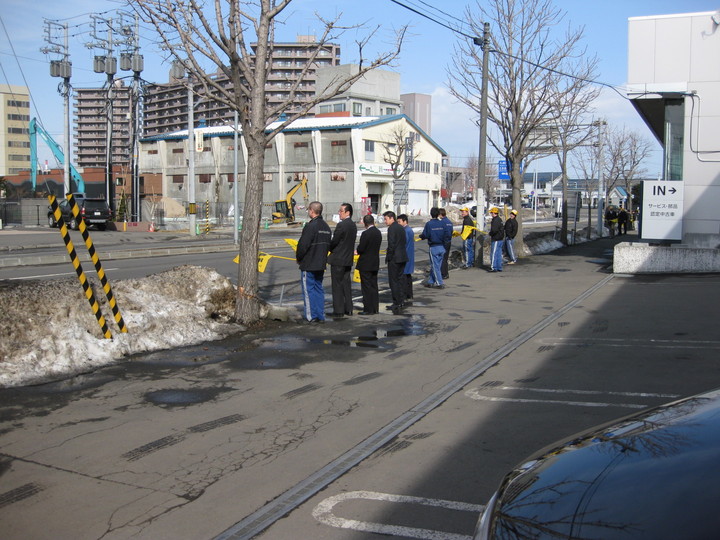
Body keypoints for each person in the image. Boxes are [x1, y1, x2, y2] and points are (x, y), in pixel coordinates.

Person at [296, 201, 332, 323]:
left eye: (308, 210)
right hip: (321, 263)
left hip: (309, 263)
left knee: (308, 290)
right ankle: (320, 315)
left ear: (312, 211)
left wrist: (299, 258)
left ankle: (311, 316)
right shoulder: (326, 227)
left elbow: (303, 245)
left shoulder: (311, 226)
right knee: (318, 289)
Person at [327, 203, 357, 318]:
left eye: (341, 211)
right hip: (347, 259)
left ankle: (338, 310)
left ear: (347, 212)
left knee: (337, 285)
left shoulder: (342, 225)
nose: (339, 213)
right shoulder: (353, 225)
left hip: (338, 259)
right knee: (346, 284)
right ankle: (348, 308)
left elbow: (335, 241)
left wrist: (329, 247)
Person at [355, 214, 382, 315]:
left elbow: (361, 248)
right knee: (374, 286)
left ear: (365, 223)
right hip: (374, 262)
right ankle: (375, 307)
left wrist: (357, 250)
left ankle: (368, 309)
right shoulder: (378, 232)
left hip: (366, 263)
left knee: (366, 287)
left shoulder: (366, 234)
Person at [383, 211, 408, 313]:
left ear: (391, 218)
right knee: (400, 279)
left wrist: (388, 256)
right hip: (402, 257)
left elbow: (391, 244)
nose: (385, 221)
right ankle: (401, 300)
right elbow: (404, 241)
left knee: (393, 281)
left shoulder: (392, 229)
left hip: (395, 258)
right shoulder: (401, 228)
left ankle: (396, 302)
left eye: (386, 219)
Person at [419, 207, 446, 288]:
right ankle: (431, 281)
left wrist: (421, 236)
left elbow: (425, 235)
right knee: (437, 266)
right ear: (438, 214)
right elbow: (447, 234)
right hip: (442, 246)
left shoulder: (429, 224)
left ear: (431, 214)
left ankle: (439, 283)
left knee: (435, 266)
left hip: (434, 247)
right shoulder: (442, 223)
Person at [397, 214, 415, 304]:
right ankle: (409, 294)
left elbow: (403, 243)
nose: (398, 224)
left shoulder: (405, 231)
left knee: (404, 277)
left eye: (399, 222)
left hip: (405, 256)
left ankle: (404, 295)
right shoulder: (409, 230)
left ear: (405, 221)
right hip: (409, 255)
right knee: (408, 276)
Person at [438, 208, 453, 279]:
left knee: (442, 258)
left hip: (443, 242)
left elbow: (441, 233)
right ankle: (446, 273)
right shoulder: (449, 222)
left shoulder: (442, 222)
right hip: (449, 242)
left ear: (440, 214)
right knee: (445, 258)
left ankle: (443, 273)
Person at [488, 207, 504, 272]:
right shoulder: (500, 220)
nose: (491, 214)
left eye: (491, 213)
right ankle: (499, 267)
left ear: (494, 213)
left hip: (496, 239)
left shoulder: (495, 220)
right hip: (500, 239)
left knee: (494, 253)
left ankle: (494, 267)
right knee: (499, 254)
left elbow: (494, 230)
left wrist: (490, 234)